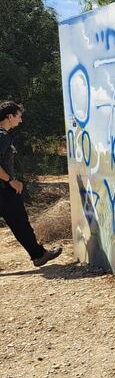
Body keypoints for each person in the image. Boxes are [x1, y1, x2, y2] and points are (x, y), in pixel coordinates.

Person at [0, 101, 62, 267]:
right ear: (10, 116)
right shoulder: (2, 136)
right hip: (4, 189)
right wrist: (11, 181)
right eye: (19, 116)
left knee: (19, 223)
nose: (20, 120)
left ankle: (38, 254)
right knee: (20, 222)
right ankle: (38, 255)